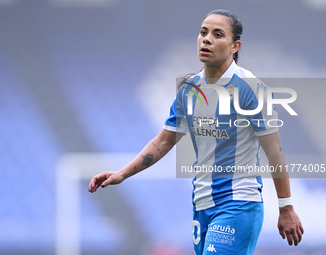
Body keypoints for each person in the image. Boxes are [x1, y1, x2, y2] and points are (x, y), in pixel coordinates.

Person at [89, 9, 304, 255]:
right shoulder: (189, 90)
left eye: (217, 34)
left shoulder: (250, 88)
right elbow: (164, 141)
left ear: (235, 46)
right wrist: (122, 173)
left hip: (237, 203)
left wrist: (286, 207)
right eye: (203, 32)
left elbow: (274, 151)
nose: (207, 39)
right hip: (201, 204)